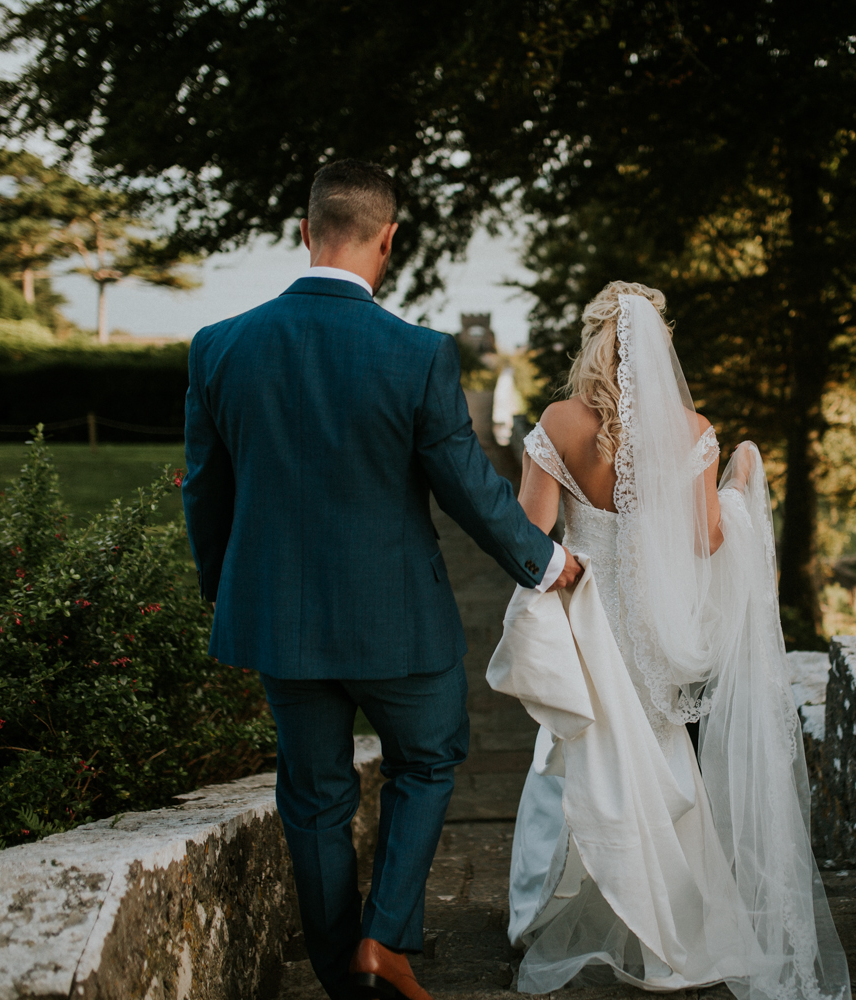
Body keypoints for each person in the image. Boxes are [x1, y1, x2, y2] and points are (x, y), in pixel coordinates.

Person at [181, 158, 582, 1000]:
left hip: (280, 624)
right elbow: (467, 486)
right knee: (431, 760)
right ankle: (385, 937)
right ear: (389, 241)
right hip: (399, 623)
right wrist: (548, 562)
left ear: (305, 232)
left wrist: (229, 590)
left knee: (315, 798)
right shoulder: (417, 355)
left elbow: (205, 490)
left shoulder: (219, 347)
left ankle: (339, 974)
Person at [498, 282, 851, 1000]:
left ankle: (545, 911)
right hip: (653, 628)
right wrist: (738, 486)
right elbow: (704, 539)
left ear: (594, 339)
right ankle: (663, 919)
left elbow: (527, 538)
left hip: (584, 620)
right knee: (658, 757)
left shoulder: (560, 423)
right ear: (659, 347)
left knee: (572, 751)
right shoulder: (691, 430)